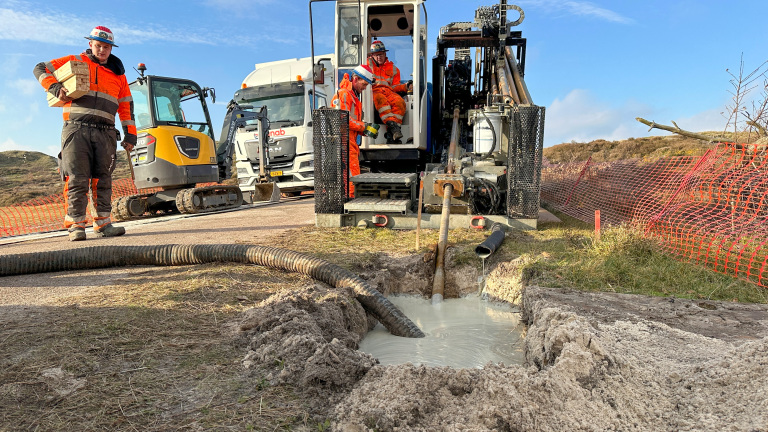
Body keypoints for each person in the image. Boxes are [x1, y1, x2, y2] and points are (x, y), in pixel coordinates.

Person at [33, 26, 136, 241]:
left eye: (106, 47)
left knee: (103, 179)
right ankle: (76, 225)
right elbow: (40, 68)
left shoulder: (119, 75)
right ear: (91, 44)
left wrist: (130, 135)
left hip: (106, 132)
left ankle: (103, 223)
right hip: (76, 129)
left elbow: (126, 106)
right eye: (98, 46)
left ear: (111, 48)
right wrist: (53, 87)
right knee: (77, 178)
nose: (102, 50)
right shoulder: (75, 61)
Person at [330, 64, 380, 196]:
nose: (364, 88)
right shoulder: (345, 94)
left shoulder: (352, 96)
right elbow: (343, 120)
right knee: (350, 179)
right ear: (356, 79)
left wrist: (365, 130)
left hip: (349, 143)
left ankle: (350, 202)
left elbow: (350, 122)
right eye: (364, 84)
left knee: (351, 177)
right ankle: (349, 205)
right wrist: (364, 127)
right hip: (343, 144)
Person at [366, 40, 413, 143]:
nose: (379, 57)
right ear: (372, 55)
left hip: (389, 92)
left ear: (385, 54)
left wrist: (406, 87)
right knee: (381, 100)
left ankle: (392, 135)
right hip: (374, 91)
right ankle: (393, 130)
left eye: (381, 54)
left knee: (400, 102)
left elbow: (395, 87)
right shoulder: (366, 64)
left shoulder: (394, 69)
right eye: (376, 55)